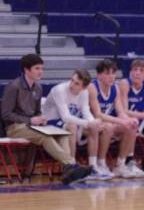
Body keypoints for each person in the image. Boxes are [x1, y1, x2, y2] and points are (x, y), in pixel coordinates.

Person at [0, 54, 91, 184]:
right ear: (27, 70)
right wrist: (31, 121)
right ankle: (71, 164)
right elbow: (6, 114)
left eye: (42, 68)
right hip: (15, 127)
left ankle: (67, 171)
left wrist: (40, 118)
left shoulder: (38, 87)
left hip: (33, 126)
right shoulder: (13, 87)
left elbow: (36, 111)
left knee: (63, 134)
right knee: (45, 137)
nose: (40, 71)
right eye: (37, 68)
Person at [42, 69, 112, 180]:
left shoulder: (84, 92)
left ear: (83, 87)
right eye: (72, 80)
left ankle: (93, 167)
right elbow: (65, 117)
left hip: (67, 121)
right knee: (72, 126)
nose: (71, 84)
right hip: (49, 121)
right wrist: (88, 123)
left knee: (93, 127)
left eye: (76, 83)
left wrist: (92, 123)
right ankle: (73, 167)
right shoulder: (59, 90)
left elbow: (86, 111)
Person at [87, 59, 144, 179]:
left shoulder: (115, 88)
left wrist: (128, 120)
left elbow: (120, 112)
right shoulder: (92, 87)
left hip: (107, 123)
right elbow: (98, 114)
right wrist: (121, 121)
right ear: (98, 75)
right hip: (89, 124)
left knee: (131, 127)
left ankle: (120, 165)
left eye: (113, 73)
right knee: (108, 126)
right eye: (107, 73)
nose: (111, 76)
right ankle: (100, 163)